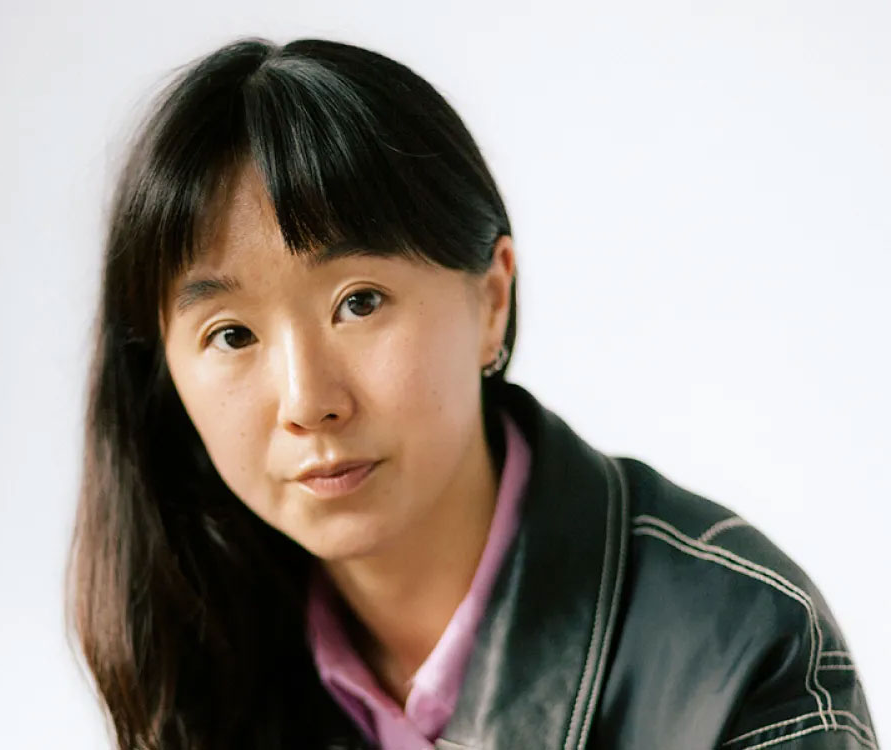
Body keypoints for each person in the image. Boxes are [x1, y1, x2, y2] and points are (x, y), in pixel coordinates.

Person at [66, 37, 879, 750]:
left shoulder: (735, 644)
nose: (307, 401)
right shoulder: (204, 648)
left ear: (490, 301)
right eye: (232, 335)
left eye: (359, 301)